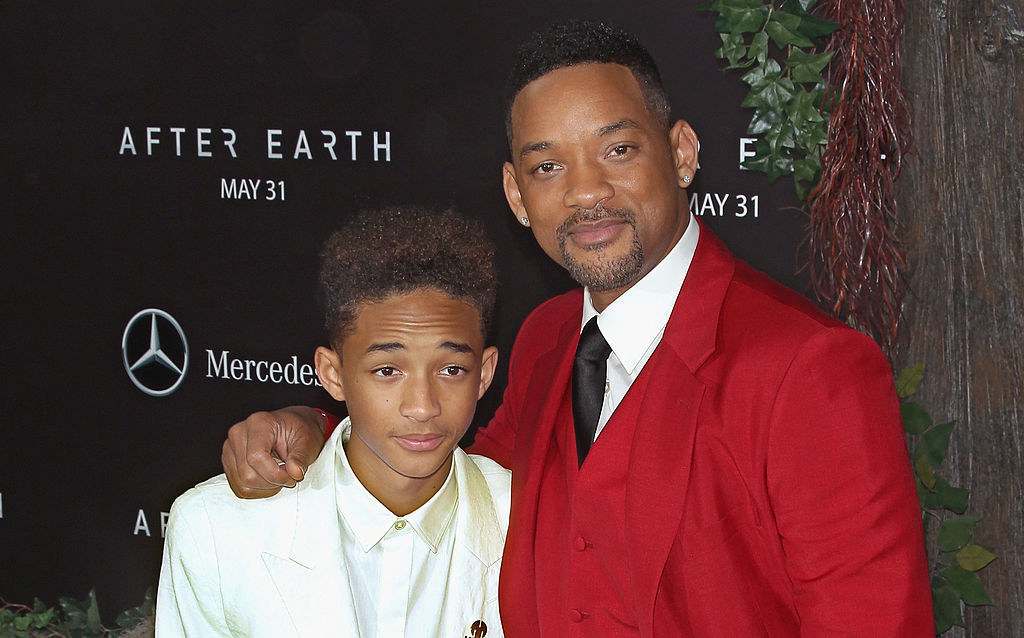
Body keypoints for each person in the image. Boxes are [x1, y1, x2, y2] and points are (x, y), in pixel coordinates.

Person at [220, 20, 933, 636]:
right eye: (549, 166)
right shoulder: (547, 339)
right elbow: (450, 481)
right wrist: (313, 427)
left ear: (681, 153)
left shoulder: (811, 369)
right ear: (517, 197)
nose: (586, 192)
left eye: (617, 150)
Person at [157, 207, 510, 637]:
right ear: (332, 374)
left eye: (451, 370)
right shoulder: (214, 530)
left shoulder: (527, 521)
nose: (422, 406)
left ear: (485, 374)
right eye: (387, 371)